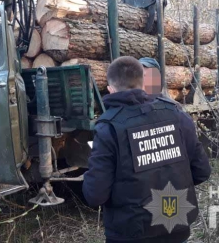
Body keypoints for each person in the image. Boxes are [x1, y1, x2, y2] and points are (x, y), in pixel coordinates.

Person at [83, 56, 211, 243]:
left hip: (131, 232)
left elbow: (95, 195)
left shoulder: (108, 128)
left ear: (110, 89)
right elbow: (202, 171)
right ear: (143, 83)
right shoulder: (176, 114)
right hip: (176, 225)